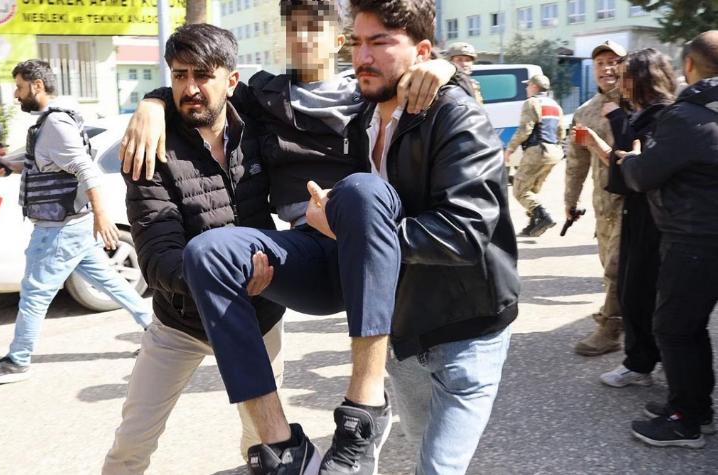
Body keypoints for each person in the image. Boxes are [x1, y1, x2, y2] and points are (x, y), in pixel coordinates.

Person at [119, 3, 456, 473]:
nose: (302, 39)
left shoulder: (370, 89)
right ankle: (284, 447)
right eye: (293, 28)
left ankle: (363, 410)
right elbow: (204, 86)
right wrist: (151, 103)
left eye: (314, 28)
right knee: (193, 432)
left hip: (372, 242)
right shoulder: (264, 99)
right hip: (286, 260)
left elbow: (426, 81)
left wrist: (442, 67)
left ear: (339, 39)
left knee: (421, 420)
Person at [330, 1, 518, 473]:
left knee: (436, 468)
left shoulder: (456, 116)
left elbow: (464, 230)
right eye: (357, 42)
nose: (362, 57)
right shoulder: (362, 122)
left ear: (423, 52)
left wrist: (356, 236)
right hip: (402, 332)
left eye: (380, 42)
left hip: (468, 330)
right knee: (419, 444)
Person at [101, 24, 287, 473]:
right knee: (132, 443)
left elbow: (328, 88)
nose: (190, 88)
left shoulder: (256, 126)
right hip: (180, 325)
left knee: (261, 440)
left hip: (259, 319)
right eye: (179, 75)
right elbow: (156, 255)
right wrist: (152, 102)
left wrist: (442, 71)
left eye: (202, 75)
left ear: (231, 81)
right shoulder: (151, 148)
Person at [0, 60, 153, 385]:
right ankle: (156, 329)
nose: (16, 94)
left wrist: (102, 216)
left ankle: (18, 359)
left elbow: (86, 169)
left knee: (34, 292)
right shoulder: (52, 121)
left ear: (37, 85)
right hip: (71, 225)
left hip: (59, 227)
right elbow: (44, 165)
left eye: (19, 87)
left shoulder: (55, 123)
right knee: (111, 282)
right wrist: (8, 164)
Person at [616, 30, 718, 449]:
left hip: (694, 240)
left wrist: (635, 158)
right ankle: (695, 405)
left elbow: (642, 175)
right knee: (690, 327)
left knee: (674, 328)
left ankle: (686, 420)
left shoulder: (685, 116)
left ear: (689, 67)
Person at [576, 49, 677, 389]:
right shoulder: (636, 114)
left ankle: (663, 368)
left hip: (658, 219)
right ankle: (639, 362)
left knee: (650, 295)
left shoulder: (665, 117)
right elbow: (621, 174)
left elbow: (639, 174)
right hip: (634, 214)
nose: (617, 80)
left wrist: (617, 122)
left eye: (624, 75)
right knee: (631, 291)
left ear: (643, 79)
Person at [565, 40, 627, 357]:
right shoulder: (585, 112)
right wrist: (570, 201)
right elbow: (576, 164)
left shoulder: (637, 106)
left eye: (614, 61)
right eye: (601, 63)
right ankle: (632, 321)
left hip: (631, 205)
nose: (607, 68)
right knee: (610, 267)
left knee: (616, 269)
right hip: (603, 208)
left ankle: (610, 329)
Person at [504, 73, 565, 237]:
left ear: (535, 87)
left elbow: (525, 129)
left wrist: (509, 149)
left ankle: (543, 216)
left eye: (528, 85)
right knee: (532, 190)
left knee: (519, 190)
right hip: (554, 152)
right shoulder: (555, 105)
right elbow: (561, 132)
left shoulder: (531, 102)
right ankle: (532, 224)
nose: (526, 88)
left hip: (537, 150)